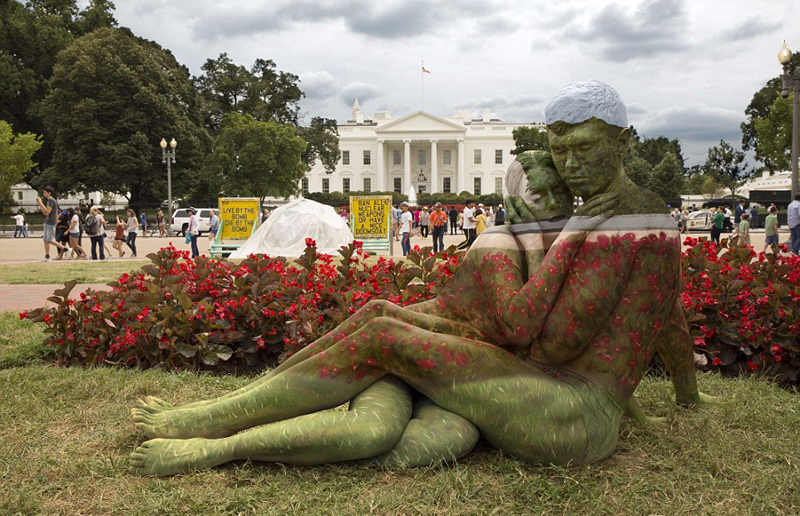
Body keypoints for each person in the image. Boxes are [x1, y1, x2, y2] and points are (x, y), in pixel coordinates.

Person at [129, 80, 706, 477]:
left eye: (582, 149)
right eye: (560, 151)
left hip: (567, 413)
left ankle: (213, 427)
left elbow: (551, 341)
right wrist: (687, 399)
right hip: (551, 392)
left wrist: (558, 239)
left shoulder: (609, 223)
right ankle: (246, 403)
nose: (570, 167)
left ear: (621, 140)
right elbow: (666, 315)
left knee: (385, 338)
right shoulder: (638, 212)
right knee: (382, 322)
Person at [36, 186, 67, 262]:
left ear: (49, 193)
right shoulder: (49, 201)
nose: (43, 194)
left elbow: (47, 212)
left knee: (49, 239)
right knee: (45, 240)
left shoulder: (51, 200)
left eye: (45, 192)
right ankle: (47, 256)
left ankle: (65, 249)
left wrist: (40, 202)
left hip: (50, 222)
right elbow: (44, 212)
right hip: (48, 221)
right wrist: (40, 204)